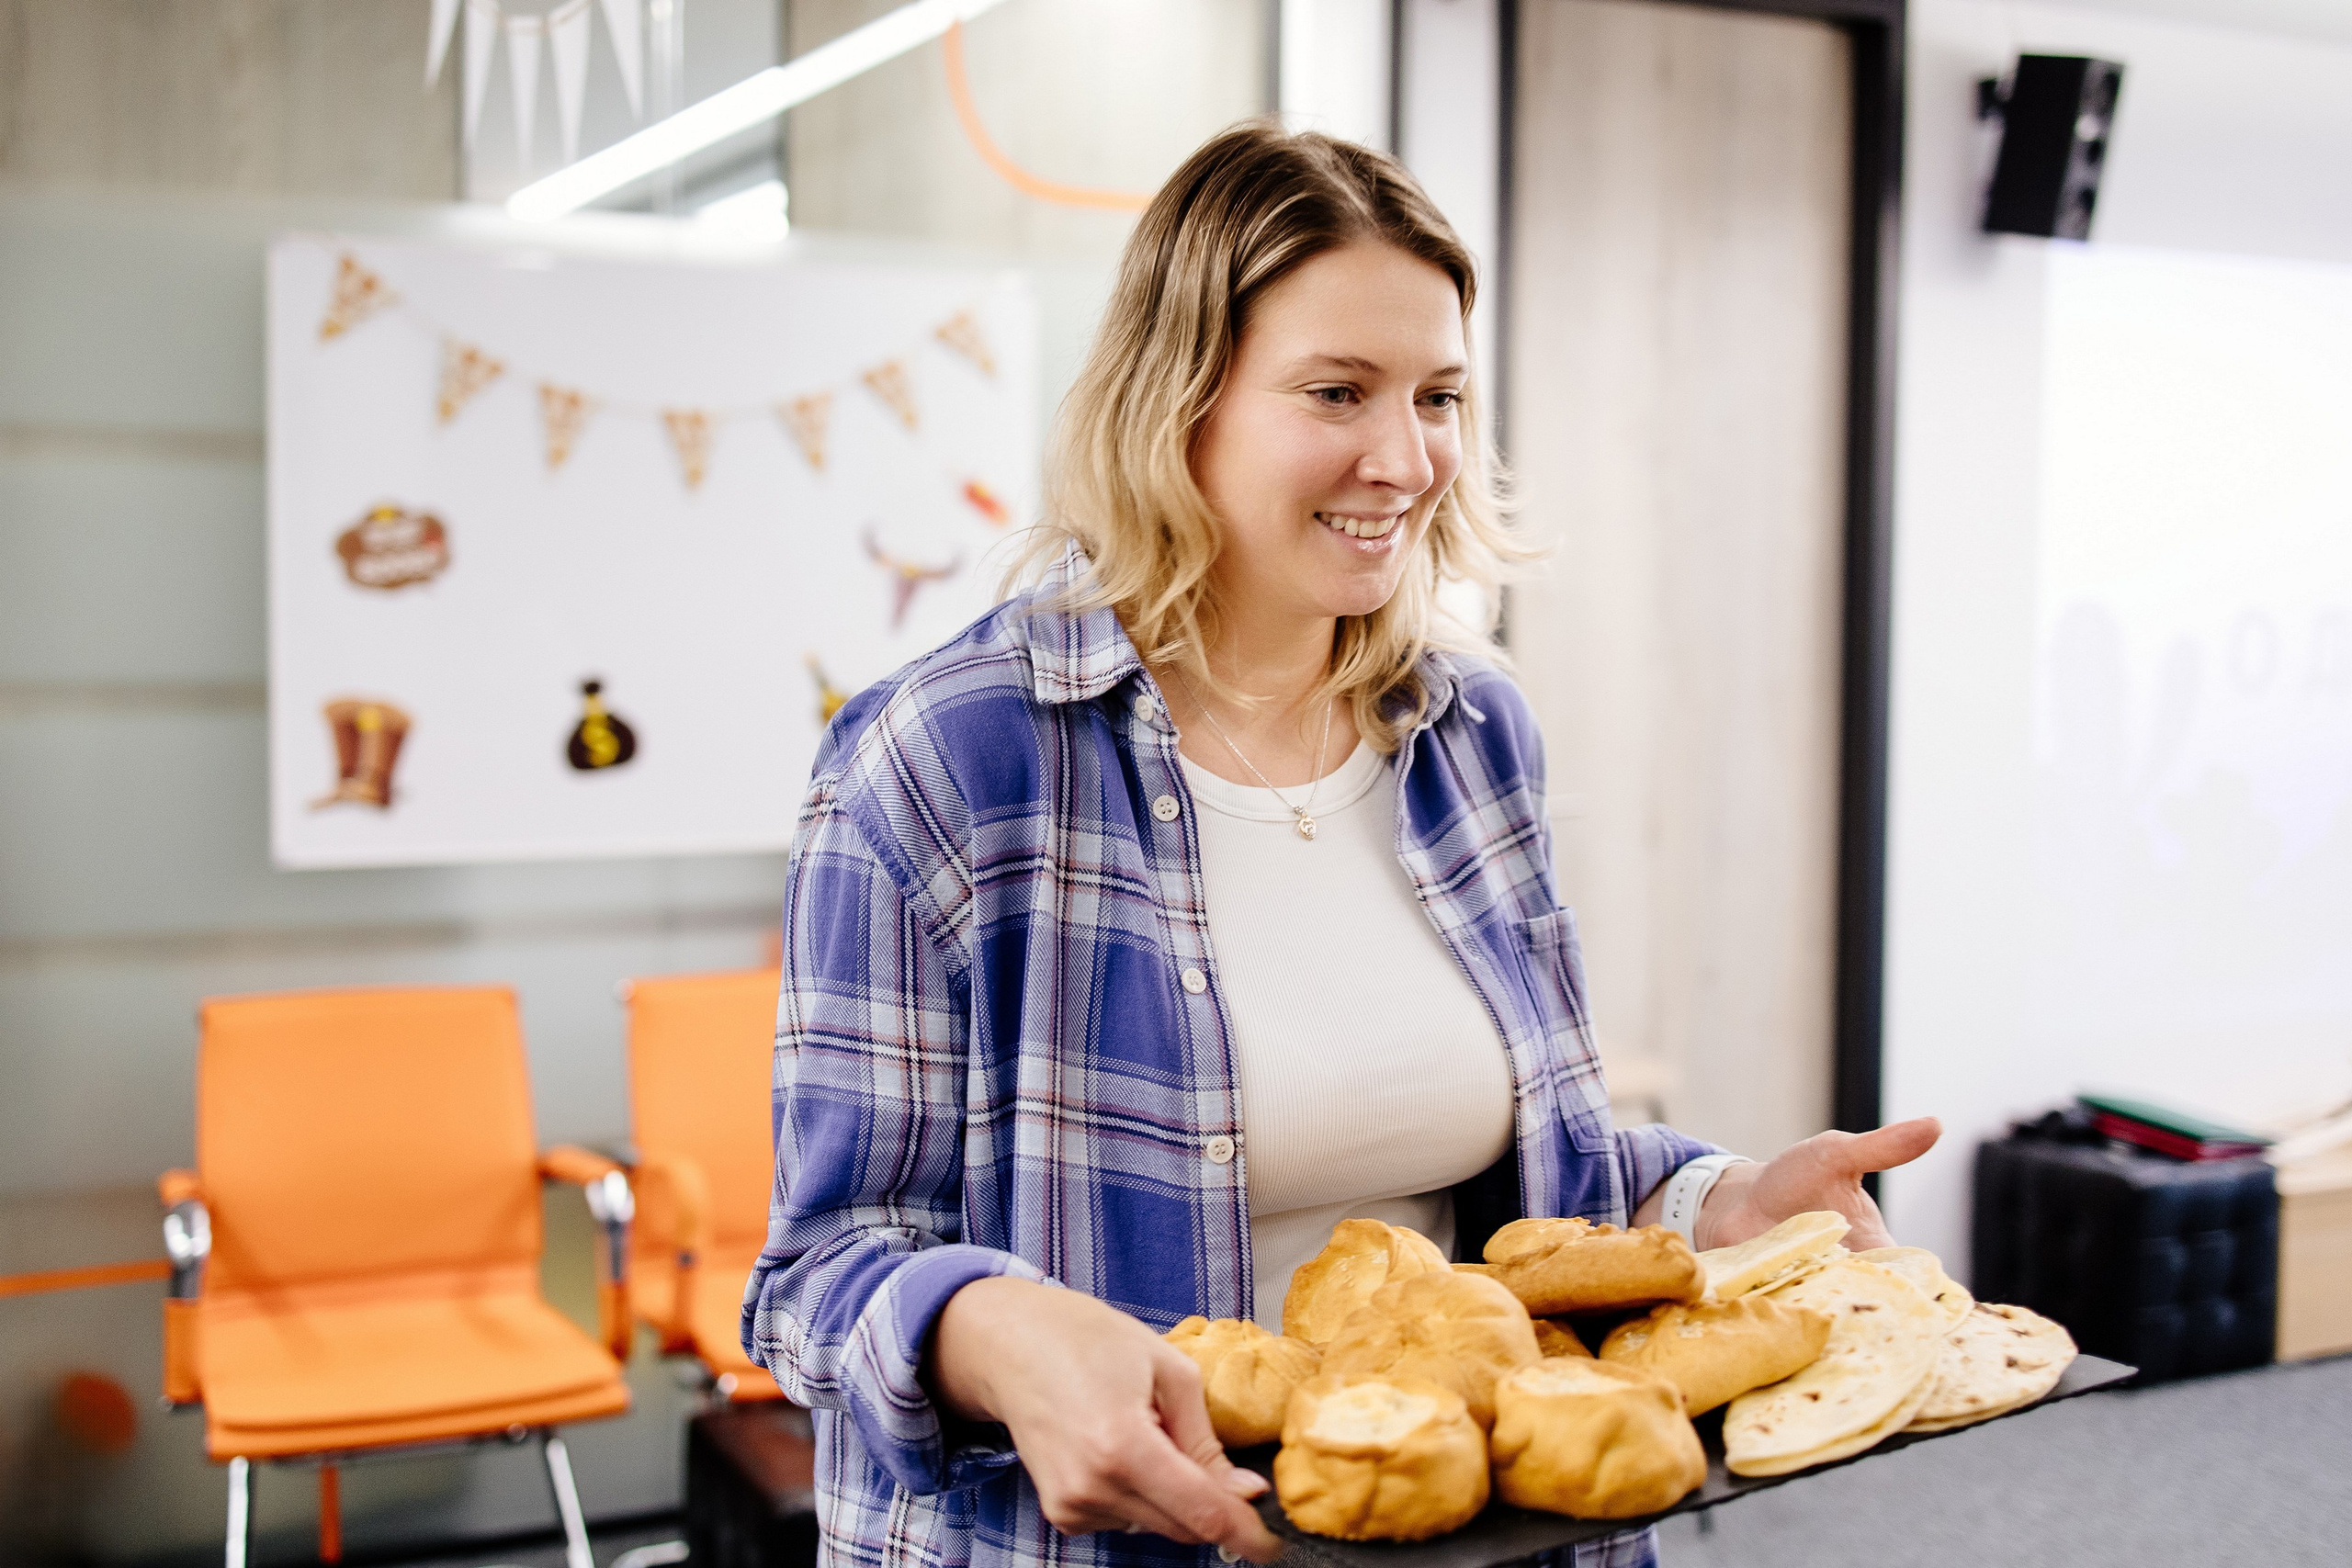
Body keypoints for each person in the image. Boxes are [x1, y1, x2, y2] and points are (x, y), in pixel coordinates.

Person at [743, 122, 1939, 1568]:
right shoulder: (948, 757)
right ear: (1176, 399)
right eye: (1336, 392)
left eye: (1439, 395)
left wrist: (1721, 1202)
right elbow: (816, 1276)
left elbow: (1508, 1181)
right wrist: (990, 1331)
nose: (1406, 458)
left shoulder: (1472, 730)